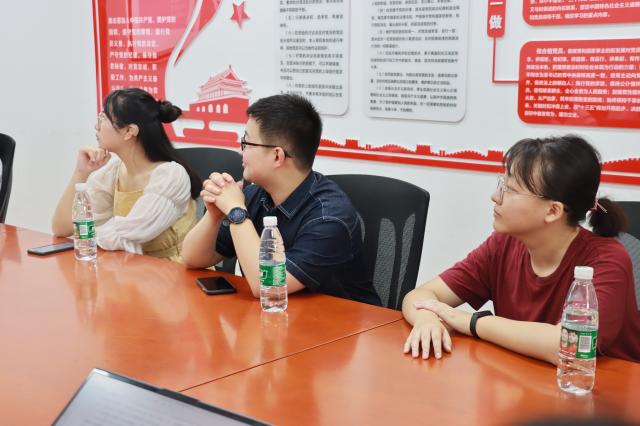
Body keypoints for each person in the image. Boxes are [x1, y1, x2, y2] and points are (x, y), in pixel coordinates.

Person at [402, 135, 640, 363]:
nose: (495, 196)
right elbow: (420, 295)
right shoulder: (503, 244)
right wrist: (426, 319)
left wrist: (471, 322)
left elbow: (569, 345)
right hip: (523, 378)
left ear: (553, 211)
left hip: (597, 386)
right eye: (501, 184)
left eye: (511, 189)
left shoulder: (607, 260)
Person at [182, 94, 381, 305]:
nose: (241, 151)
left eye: (246, 143)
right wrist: (214, 216)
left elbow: (268, 286)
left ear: (277, 156)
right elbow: (193, 259)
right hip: (282, 317)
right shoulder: (255, 195)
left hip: (341, 321)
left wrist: (236, 211)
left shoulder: (329, 218)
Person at [52, 88, 201, 262]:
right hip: (133, 269)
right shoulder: (114, 172)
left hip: (175, 271)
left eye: (103, 118)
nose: (96, 126)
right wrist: (81, 172)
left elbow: (127, 235)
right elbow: (62, 228)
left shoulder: (170, 176)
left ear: (129, 131)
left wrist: (86, 234)